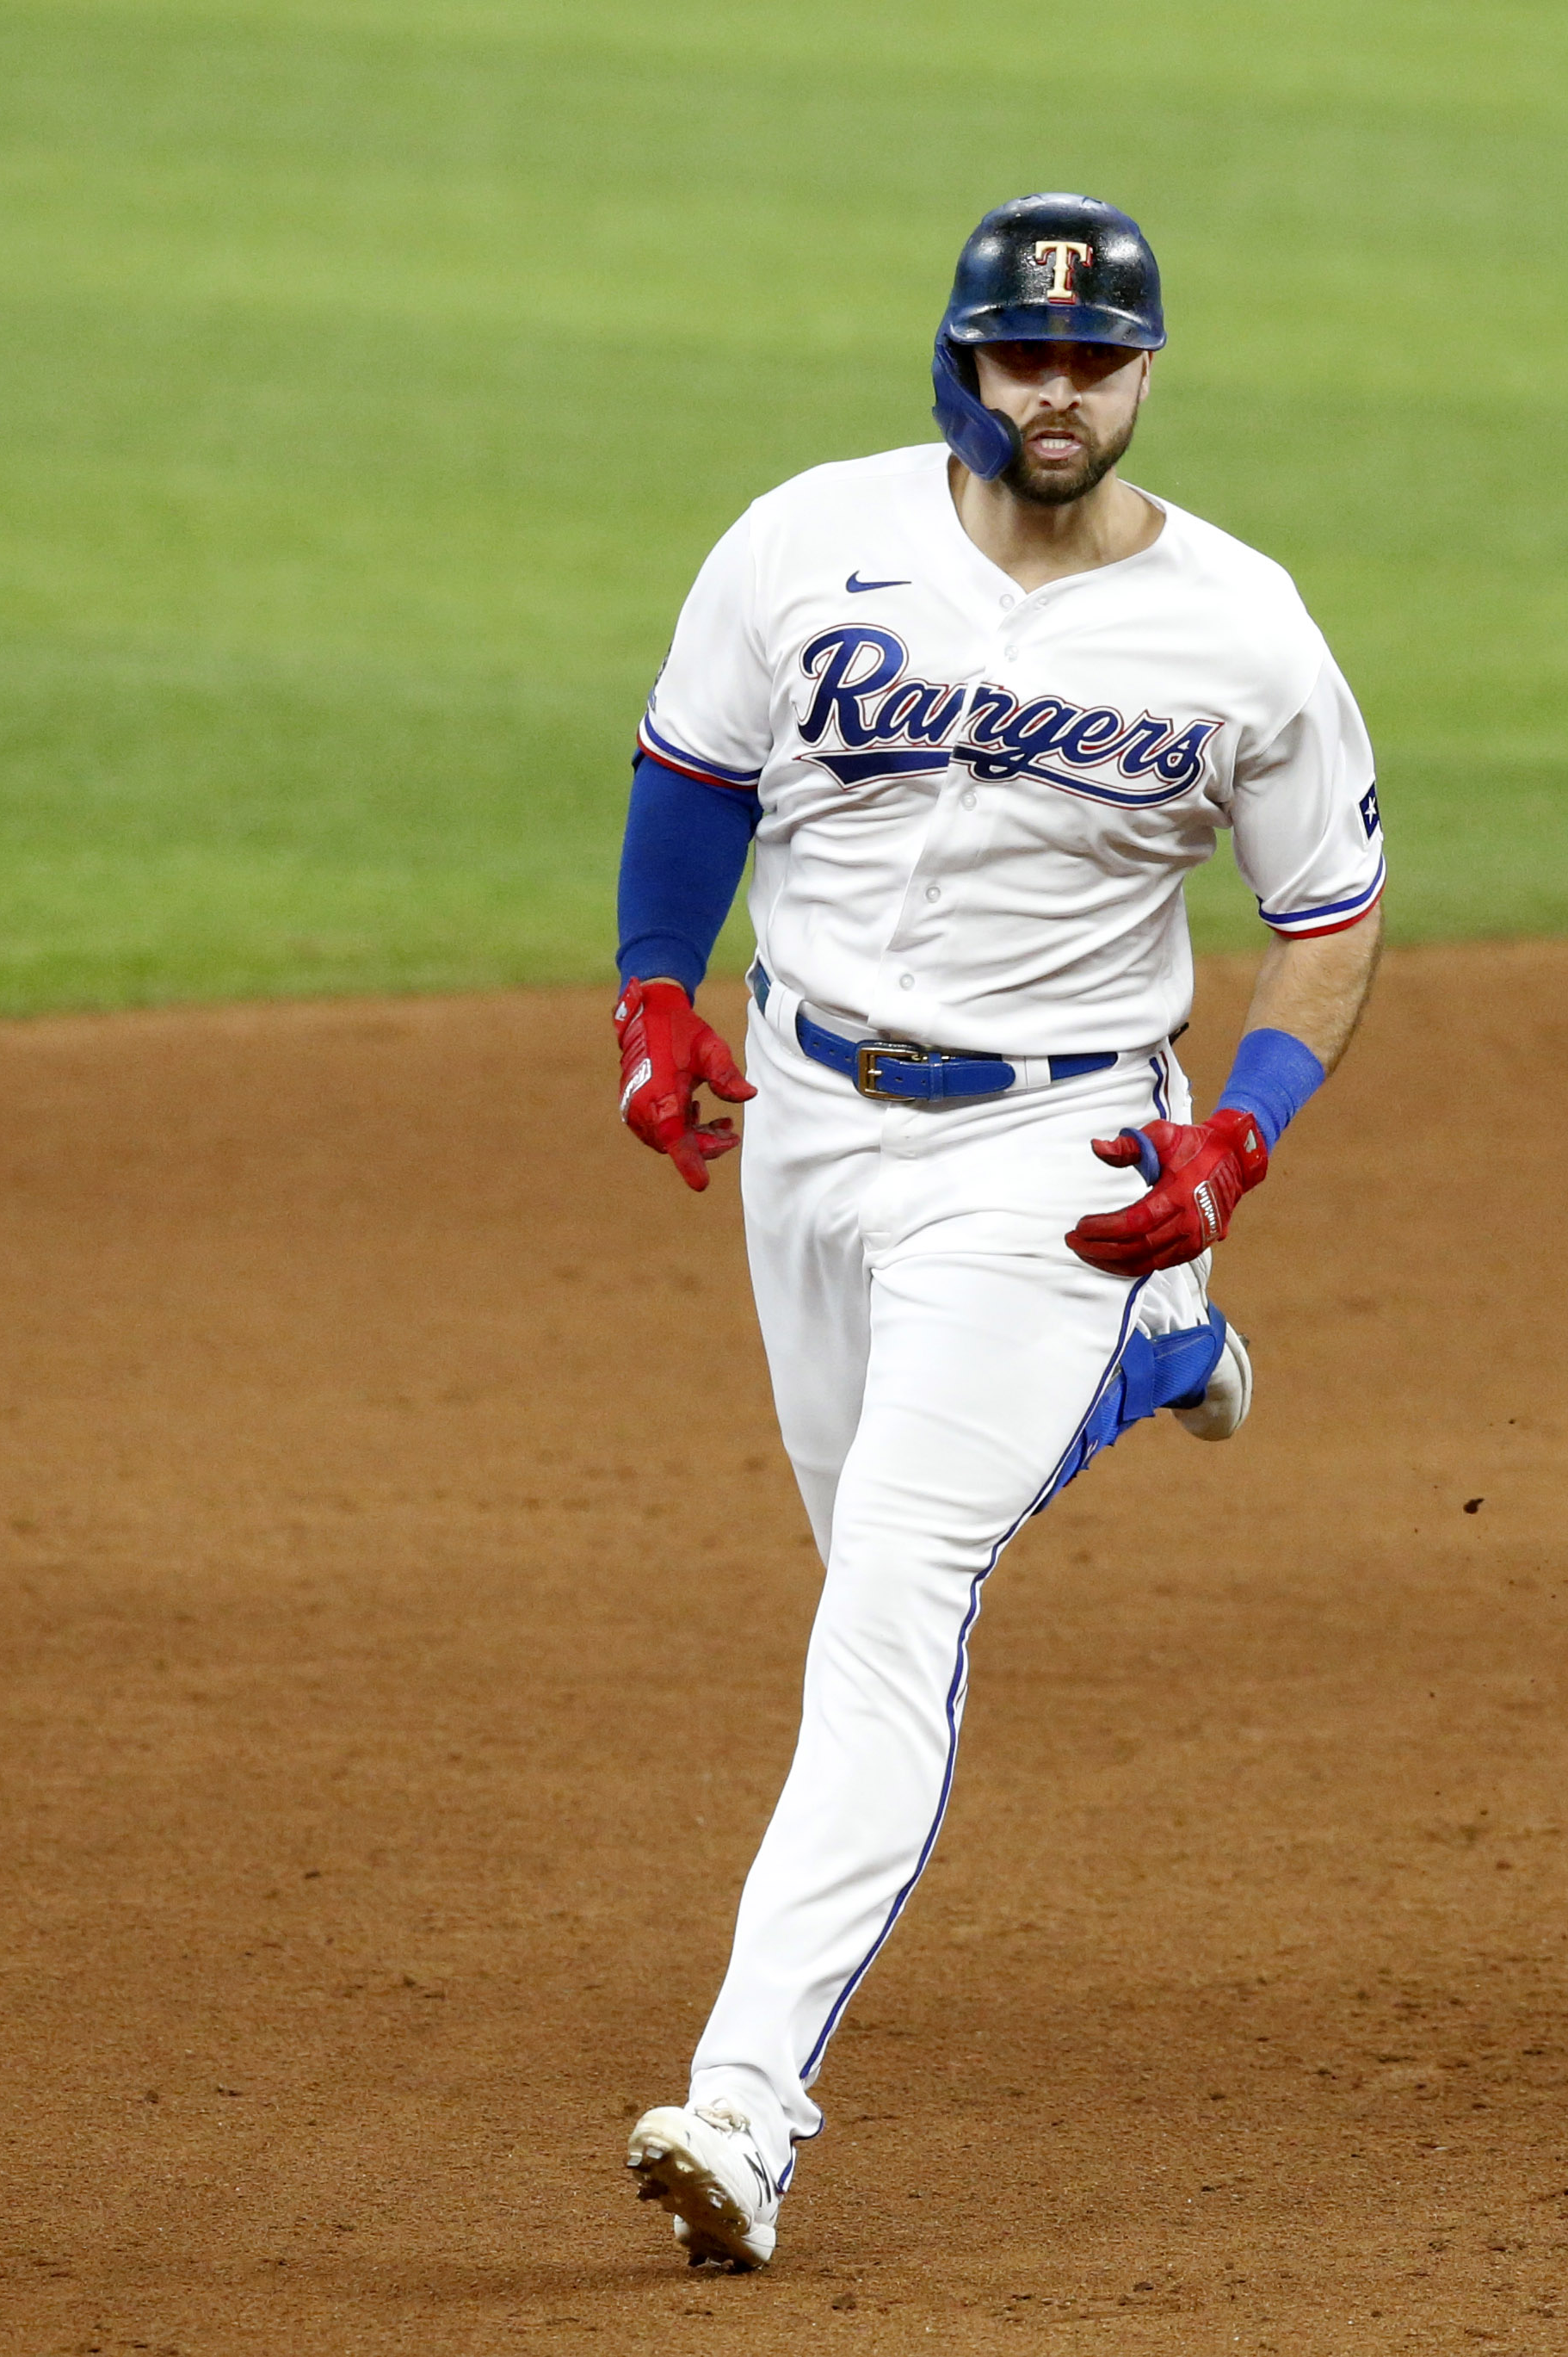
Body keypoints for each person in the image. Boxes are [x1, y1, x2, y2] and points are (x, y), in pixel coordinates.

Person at [601, 191, 1386, 2270]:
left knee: (888, 1599)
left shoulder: (1243, 625)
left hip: (1057, 1161)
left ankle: (748, 2103)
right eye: (1023, 356)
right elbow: (693, 772)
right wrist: (653, 990)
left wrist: (1241, 1136)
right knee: (853, 1528)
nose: (1058, 390)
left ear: (1145, 373)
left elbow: (1326, 920)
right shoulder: (802, 539)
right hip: (808, 1121)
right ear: (960, 356)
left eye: (1095, 358)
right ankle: (1157, 1357)